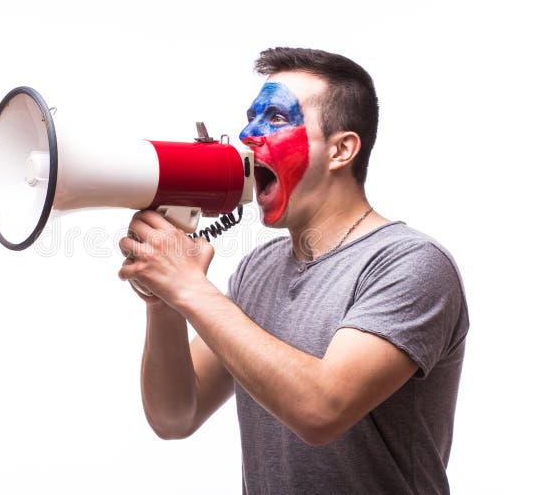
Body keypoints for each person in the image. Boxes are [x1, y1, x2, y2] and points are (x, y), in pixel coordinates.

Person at [118, 47, 469, 495]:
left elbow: (322, 410)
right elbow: (175, 417)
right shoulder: (257, 271)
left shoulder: (409, 264)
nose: (247, 134)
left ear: (342, 150)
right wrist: (163, 302)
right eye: (250, 117)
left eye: (276, 118)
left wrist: (190, 288)